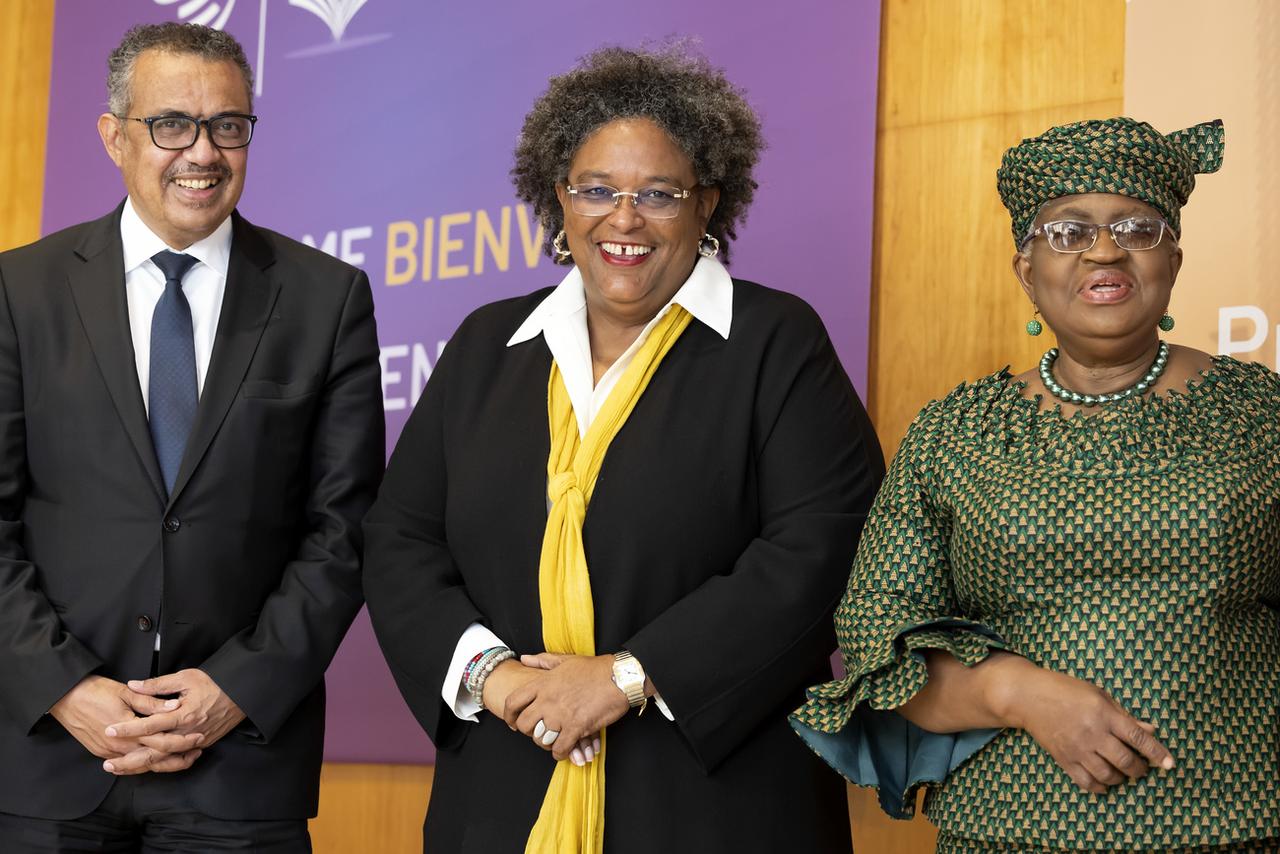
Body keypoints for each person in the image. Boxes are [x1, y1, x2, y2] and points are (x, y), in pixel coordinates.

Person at [362, 45, 883, 853]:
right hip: (507, 781)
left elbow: (823, 547)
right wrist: (494, 680)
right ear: (558, 199)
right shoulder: (484, 347)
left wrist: (623, 677)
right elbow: (400, 542)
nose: (624, 219)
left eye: (659, 194)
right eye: (596, 190)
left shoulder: (776, 342)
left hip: (715, 802)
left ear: (708, 202)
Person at [793, 117, 1280, 852]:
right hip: (1004, 831)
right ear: (1026, 270)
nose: (1106, 249)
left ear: (1173, 258)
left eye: (1137, 228)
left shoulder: (1260, 415)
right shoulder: (955, 434)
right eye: (1068, 231)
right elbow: (876, 637)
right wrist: (1016, 691)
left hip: (1236, 826)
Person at [0, 22, 383, 851]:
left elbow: (344, 531)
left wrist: (232, 690)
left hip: (240, 764)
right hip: (45, 763)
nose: (202, 152)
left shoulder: (327, 300)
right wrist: (67, 688)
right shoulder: (18, 290)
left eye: (229, 126)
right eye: (171, 124)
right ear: (113, 137)